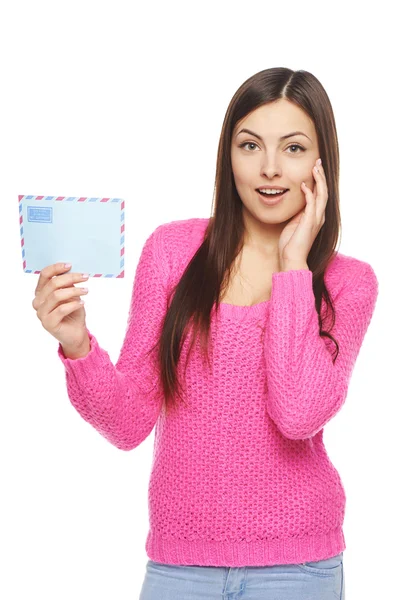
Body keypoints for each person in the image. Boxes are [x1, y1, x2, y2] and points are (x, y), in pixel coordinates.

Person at [32, 67, 379, 599]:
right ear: (228, 154)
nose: (269, 168)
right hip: (179, 568)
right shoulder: (172, 253)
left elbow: (298, 412)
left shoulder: (348, 283)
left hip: (298, 568)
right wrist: (78, 345)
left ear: (321, 162)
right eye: (250, 145)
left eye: (292, 147)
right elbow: (128, 423)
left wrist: (292, 266)